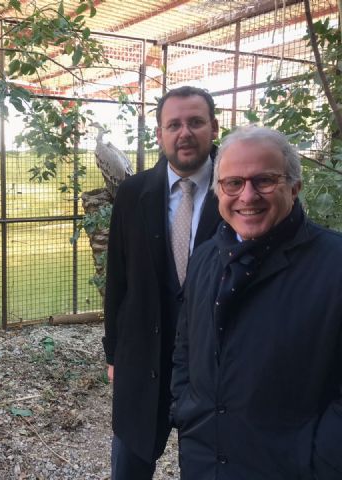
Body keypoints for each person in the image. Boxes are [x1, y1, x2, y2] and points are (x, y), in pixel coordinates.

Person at [171, 125, 342, 479]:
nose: (247, 196)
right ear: (218, 191)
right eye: (233, 183)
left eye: (264, 180)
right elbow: (186, 347)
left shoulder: (334, 264)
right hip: (205, 463)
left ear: (294, 187)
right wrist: (186, 411)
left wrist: (321, 462)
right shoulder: (205, 258)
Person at [103, 85, 221, 479]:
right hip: (141, 359)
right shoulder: (133, 193)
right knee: (130, 464)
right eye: (174, 125)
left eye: (195, 122)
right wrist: (113, 354)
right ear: (159, 134)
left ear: (214, 128)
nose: (184, 133)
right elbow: (118, 279)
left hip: (214, 366)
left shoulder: (238, 191)